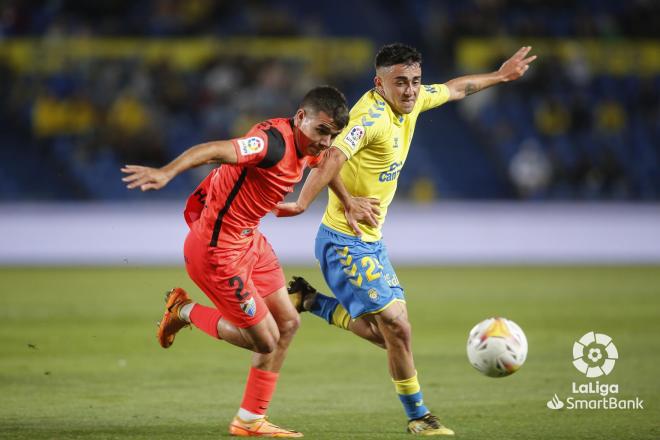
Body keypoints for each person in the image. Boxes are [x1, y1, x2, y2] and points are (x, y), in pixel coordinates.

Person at [275, 43, 537, 436]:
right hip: (343, 242)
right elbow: (330, 158)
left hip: (370, 241)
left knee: (389, 336)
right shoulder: (369, 117)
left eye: (414, 81)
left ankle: (310, 301)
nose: (411, 90)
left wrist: (500, 76)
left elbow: (455, 88)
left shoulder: (412, 102)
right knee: (398, 329)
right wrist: (302, 203)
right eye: (401, 83)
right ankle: (419, 417)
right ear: (379, 83)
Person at [121, 86, 350, 438]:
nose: (325, 141)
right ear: (301, 118)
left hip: (250, 242)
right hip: (217, 254)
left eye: (332, 134)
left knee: (288, 324)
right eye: (321, 131)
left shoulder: (314, 146)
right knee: (265, 340)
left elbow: (331, 161)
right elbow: (213, 150)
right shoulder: (270, 144)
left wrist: (346, 203)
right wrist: (167, 172)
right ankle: (182, 310)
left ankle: (249, 420)